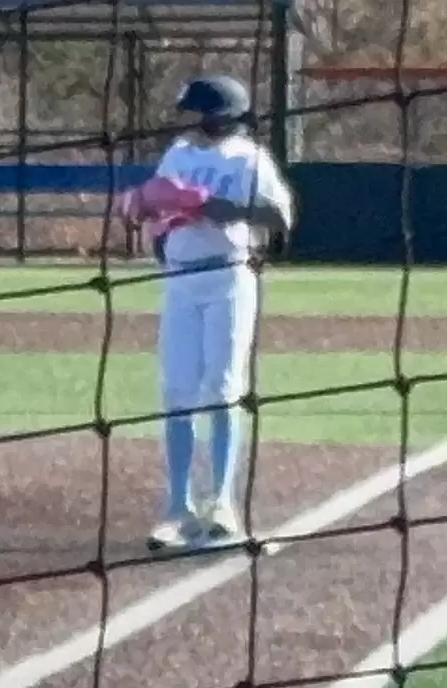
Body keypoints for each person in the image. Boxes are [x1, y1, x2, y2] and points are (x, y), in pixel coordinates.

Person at [144, 74, 294, 554]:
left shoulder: (249, 159)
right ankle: (177, 508)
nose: (189, 121)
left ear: (220, 116)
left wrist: (219, 207)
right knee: (176, 390)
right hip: (180, 280)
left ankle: (223, 504)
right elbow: (155, 208)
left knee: (224, 387)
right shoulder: (178, 154)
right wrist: (153, 215)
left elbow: (280, 217)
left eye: (196, 112)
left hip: (229, 276)